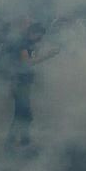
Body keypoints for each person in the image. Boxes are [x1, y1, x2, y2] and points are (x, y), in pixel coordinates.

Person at [6, 21, 55, 151]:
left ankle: (22, 141)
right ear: (32, 33)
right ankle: (16, 143)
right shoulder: (22, 44)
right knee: (23, 115)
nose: (40, 38)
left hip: (23, 83)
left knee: (23, 115)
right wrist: (48, 56)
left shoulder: (29, 43)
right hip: (19, 84)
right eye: (39, 35)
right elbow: (26, 63)